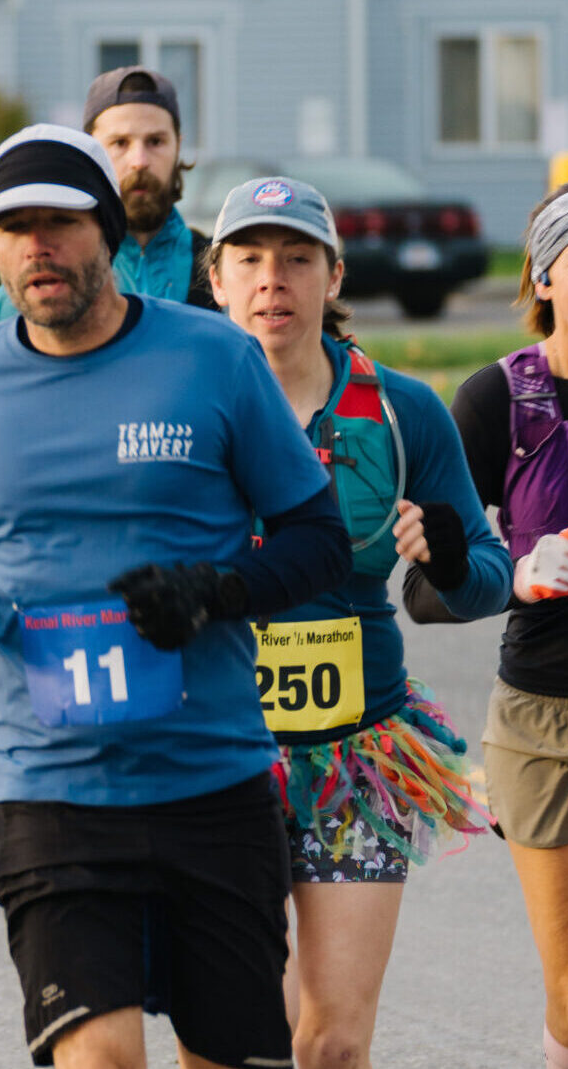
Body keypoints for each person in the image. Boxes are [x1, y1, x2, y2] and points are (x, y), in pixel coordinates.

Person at [0, 124, 352, 1069]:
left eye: (62, 223)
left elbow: (318, 540)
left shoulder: (215, 359)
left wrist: (213, 591)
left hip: (214, 782)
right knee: (100, 1058)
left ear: (112, 232)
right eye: (15, 228)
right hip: (51, 787)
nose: (39, 246)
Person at [206, 175, 508, 1067]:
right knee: (248, 1026)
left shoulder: (403, 409)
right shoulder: (181, 408)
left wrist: (450, 558)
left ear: (334, 278)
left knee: (334, 1040)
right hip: (215, 752)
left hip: (358, 750)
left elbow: (489, 576)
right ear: (217, 279)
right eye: (251, 261)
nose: (274, 281)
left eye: (298, 259)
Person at [406, 179, 568, 1069]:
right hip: (544, 719)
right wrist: (518, 571)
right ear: (544, 278)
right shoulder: (499, 401)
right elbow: (426, 591)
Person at [0, 65, 211, 323]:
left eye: (155, 141)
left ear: (178, 145)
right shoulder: (42, 281)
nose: (139, 160)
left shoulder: (221, 270)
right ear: (91, 150)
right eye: (119, 143)